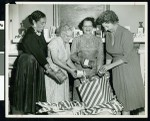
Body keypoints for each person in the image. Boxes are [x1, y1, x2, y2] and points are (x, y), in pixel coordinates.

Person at [96, 10, 145, 115]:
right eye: (104, 26)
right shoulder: (108, 34)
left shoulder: (125, 33)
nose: (105, 29)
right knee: (120, 97)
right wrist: (106, 66)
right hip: (116, 67)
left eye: (107, 26)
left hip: (128, 67)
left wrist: (109, 67)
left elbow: (126, 57)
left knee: (127, 101)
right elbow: (109, 53)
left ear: (114, 22)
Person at [12, 10, 53, 114]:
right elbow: (37, 52)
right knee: (28, 92)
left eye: (45, 23)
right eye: (42, 23)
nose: (44, 25)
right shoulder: (30, 35)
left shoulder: (39, 32)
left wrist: (48, 60)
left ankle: (35, 110)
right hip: (27, 65)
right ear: (34, 22)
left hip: (36, 63)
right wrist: (48, 68)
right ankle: (28, 112)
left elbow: (43, 48)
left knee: (36, 93)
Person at [70, 17, 104, 101]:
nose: (87, 28)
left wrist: (99, 73)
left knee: (92, 100)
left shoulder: (98, 40)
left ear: (93, 27)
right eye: (85, 26)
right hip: (80, 73)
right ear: (82, 27)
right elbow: (72, 56)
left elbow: (100, 57)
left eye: (89, 26)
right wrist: (81, 60)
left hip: (93, 73)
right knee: (78, 100)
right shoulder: (76, 39)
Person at [45, 24, 77, 103]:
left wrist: (76, 70)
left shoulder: (66, 43)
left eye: (70, 36)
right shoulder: (54, 42)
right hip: (54, 72)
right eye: (67, 36)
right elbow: (55, 60)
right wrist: (70, 70)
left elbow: (68, 60)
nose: (69, 38)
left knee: (63, 97)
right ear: (62, 34)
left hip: (63, 72)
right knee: (55, 97)